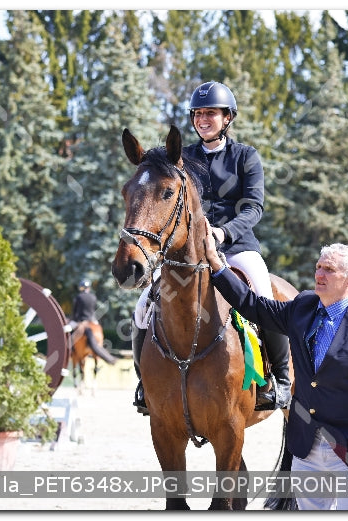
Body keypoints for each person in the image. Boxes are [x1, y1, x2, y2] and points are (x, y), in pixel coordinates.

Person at [204, 219, 348, 510]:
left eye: (329, 270)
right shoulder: (303, 307)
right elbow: (252, 305)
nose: (319, 274)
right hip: (306, 445)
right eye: (319, 267)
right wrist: (216, 264)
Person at [131, 80, 292, 415]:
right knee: (144, 305)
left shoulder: (246, 157)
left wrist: (223, 233)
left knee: (262, 294)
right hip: (188, 252)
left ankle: (279, 379)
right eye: (199, 114)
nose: (204, 119)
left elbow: (253, 208)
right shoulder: (183, 158)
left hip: (235, 246)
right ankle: (144, 384)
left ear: (227, 118)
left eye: (211, 113)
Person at [69, 278, 102, 354]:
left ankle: (71, 350)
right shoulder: (93, 297)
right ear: (89, 288)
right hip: (92, 320)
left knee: (68, 332)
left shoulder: (78, 297)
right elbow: (94, 309)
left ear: (81, 287)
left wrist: (72, 319)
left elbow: (75, 311)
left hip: (81, 320)